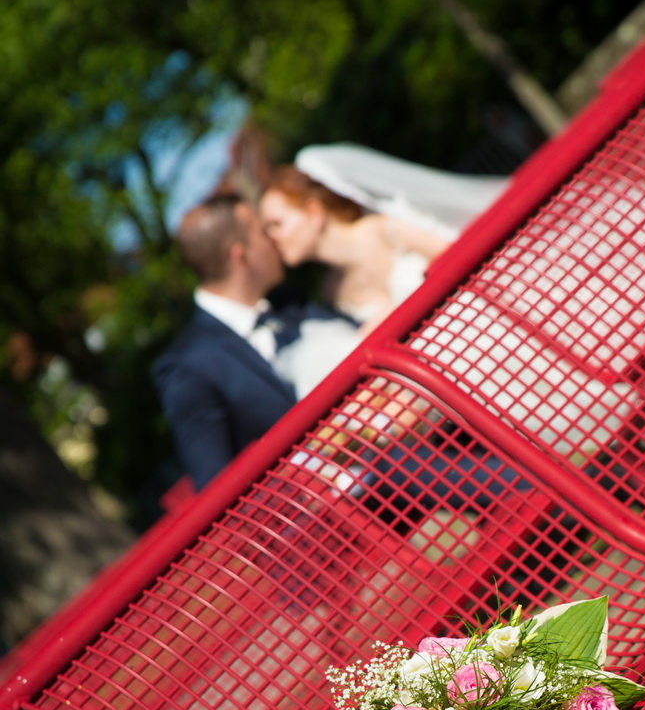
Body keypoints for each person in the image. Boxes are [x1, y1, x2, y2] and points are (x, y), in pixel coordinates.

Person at [153, 193, 359, 491]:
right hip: (325, 523)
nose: (274, 240)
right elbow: (216, 487)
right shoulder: (187, 366)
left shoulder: (291, 302)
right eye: (263, 232)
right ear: (241, 256)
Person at [259, 145, 508, 326]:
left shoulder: (385, 229)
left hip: (485, 327)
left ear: (314, 212)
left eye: (276, 224)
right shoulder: (331, 293)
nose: (271, 237)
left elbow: (463, 262)